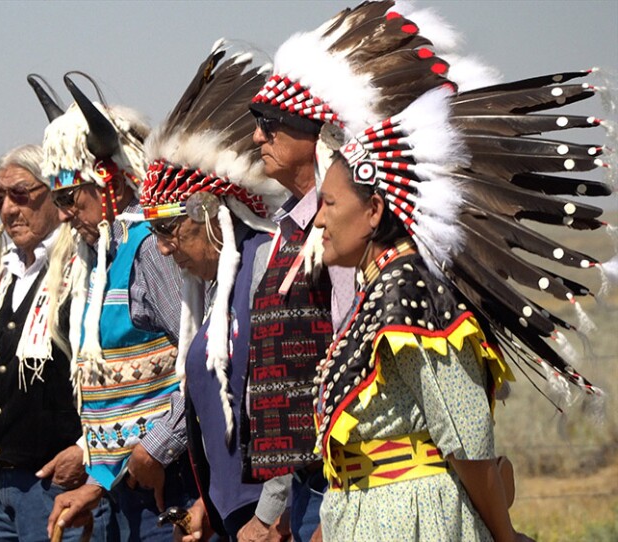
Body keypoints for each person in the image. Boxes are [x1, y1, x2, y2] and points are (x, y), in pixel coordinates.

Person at [307, 13, 614, 539]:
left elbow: (467, 438)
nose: (318, 218)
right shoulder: (380, 290)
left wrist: (503, 533)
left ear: (374, 210)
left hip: (416, 521)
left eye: (329, 203)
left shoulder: (414, 292)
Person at [244, 2, 475, 537]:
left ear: (314, 132)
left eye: (271, 125)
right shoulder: (290, 231)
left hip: (357, 485)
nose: (258, 137)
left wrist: (337, 505)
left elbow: (361, 362)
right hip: (311, 485)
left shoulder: (346, 239)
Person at [137, 42, 289, 541]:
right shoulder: (212, 289)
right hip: (233, 516)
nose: (161, 250)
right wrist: (209, 502)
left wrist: (273, 513)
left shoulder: (266, 265)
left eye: (168, 231)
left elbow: (292, 398)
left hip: (270, 519)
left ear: (210, 215)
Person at [36, 75, 197, 541]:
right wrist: (99, 479)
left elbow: (201, 358)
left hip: (169, 483)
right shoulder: (99, 261)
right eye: (58, 200)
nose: (64, 214)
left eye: (71, 198)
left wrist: (158, 446)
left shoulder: (148, 249)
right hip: (126, 487)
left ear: (109, 181)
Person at [0, 144, 96, 542]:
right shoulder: (1, 277)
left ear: (55, 192)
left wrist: (87, 450)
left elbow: (107, 370)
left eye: (21, 194)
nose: (7, 209)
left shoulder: (85, 268)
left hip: (57, 486)